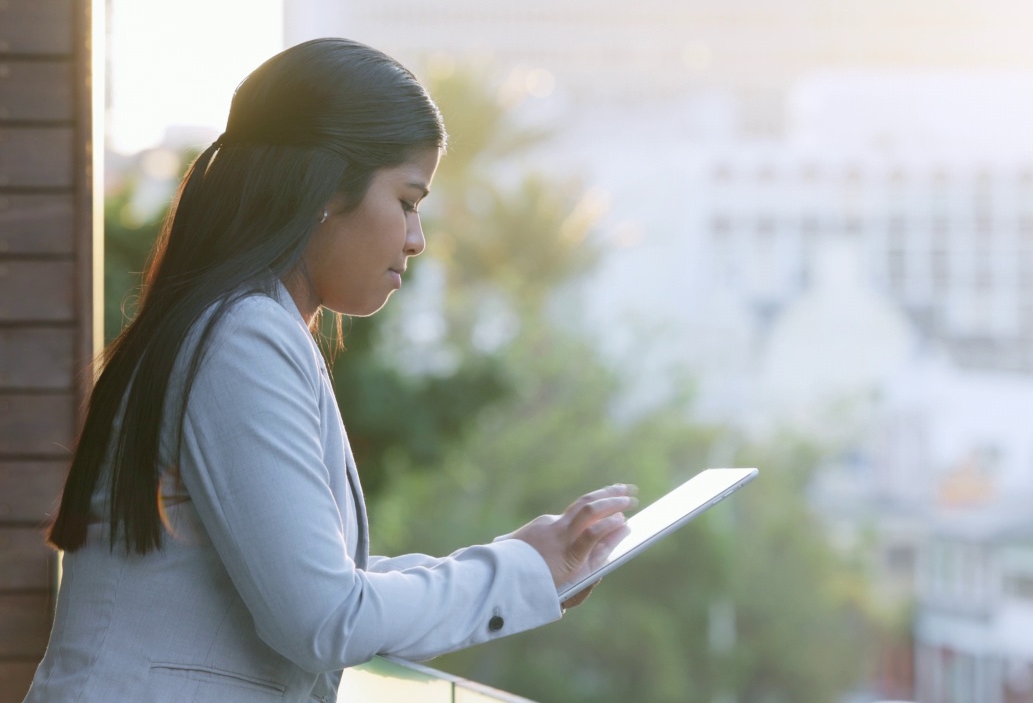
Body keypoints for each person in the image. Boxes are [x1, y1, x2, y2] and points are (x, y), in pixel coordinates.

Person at [25, 38, 636, 703]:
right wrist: (518, 572)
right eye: (406, 200)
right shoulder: (243, 336)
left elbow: (320, 584)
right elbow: (323, 619)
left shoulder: (234, 325)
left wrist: (525, 566)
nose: (416, 238)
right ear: (323, 193)